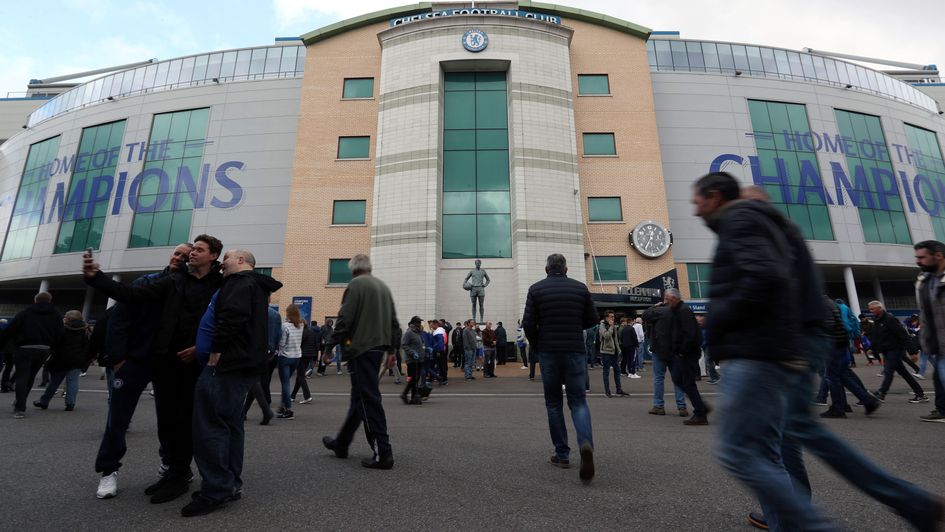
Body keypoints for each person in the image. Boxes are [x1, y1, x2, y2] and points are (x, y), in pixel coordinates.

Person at [697, 172, 945, 531]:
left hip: (773, 345)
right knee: (799, 432)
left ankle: (803, 522)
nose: (696, 210)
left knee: (742, 449)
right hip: (799, 339)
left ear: (718, 196)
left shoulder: (745, 220)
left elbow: (765, 280)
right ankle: (910, 502)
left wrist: (718, 319)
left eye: (698, 201)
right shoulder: (779, 227)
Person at [83, 234, 224, 504]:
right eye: (185, 252)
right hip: (154, 361)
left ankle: (178, 471)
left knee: (183, 421)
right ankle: (118, 471)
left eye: (196, 251)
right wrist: (96, 278)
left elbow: (225, 320)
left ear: (213, 256)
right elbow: (126, 302)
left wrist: (202, 348)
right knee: (147, 420)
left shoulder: (219, 285)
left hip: (188, 364)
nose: (187, 256)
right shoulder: (167, 281)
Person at [184, 249, 282, 516]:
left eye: (226, 257)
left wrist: (216, 350)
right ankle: (229, 484)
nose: (222, 262)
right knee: (230, 425)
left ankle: (216, 490)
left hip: (226, 366)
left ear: (241, 261)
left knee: (209, 426)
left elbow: (233, 317)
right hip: (240, 365)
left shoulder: (239, 283)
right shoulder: (254, 286)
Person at [91, 243, 192, 499]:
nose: (179, 258)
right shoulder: (147, 282)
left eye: (185, 255)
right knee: (118, 418)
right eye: (177, 253)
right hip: (135, 361)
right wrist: (118, 358)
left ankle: (169, 463)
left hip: (169, 364)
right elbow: (118, 319)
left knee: (169, 419)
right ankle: (108, 471)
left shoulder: (188, 288)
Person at [522, 253, 597, 483]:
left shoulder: (536, 289)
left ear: (547, 269)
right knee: (578, 401)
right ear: (566, 269)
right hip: (574, 350)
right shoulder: (580, 288)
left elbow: (528, 323)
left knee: (554, 403)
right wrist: (574, 325)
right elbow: (592, 319)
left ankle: (562, 454)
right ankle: (585, 443)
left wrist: (537, 345)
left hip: (549, 351)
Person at [321, 254, 399, 469]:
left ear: (353, 269)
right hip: (378, 349)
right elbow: (394, 323)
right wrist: (392, 350)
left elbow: (344, 319)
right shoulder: (382, 287)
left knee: (368, 399)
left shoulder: (355, 285)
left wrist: (329, 347)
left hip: (361, 349)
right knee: (360, 398)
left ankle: (383, 452)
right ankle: (342, 443)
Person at [642, 289, 708, 425]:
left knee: (662, 378)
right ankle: (683, 406)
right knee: (678, 379)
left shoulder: (664, 311)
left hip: (666, 351)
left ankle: (659, 405)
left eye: (667, 297)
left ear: (672, 298)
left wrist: (655, 306)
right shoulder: (678, 311)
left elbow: (645, 315)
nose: (666, 300)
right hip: (675, 352)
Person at [1, 292, 63, 419]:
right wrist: (53, 348)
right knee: (31, 376)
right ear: (50, 300)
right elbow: (60, 333)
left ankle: (20, 407)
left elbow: (10, 330)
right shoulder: (56, 315)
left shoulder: (25, 313)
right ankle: (21, 401)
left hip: (24, 348)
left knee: (21, 377)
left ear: (35, 300)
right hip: (44, 349)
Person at [867, 300, 928, 403]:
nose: (871, 311)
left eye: (872, 309)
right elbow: (876, 337)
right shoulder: (876, 320)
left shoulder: (889, 319)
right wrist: (872, 349)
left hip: (895, 350)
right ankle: (920, 394)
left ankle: (881, 393)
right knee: (904, 373)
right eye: (870, 309)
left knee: (888, 371)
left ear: (879, 308)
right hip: (886, 351)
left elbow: (903, 334)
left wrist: (912, 352)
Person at [913, 240, 945, 423]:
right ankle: (941, 409)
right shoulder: (924, 282)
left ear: (938, 256)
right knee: (939, 378)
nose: (918, 261)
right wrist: (926, 342)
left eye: (922, 257)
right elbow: (926, 315)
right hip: (938, 346)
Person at [33, 310, 89, 411]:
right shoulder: (85, 329)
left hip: (61, 358)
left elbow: (54, 343)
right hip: (77, 359)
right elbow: (86, 346)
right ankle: (70, 403)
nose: (64, 318)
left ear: (69, 318)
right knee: (72, 381)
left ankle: (44, 401)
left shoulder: (62, 328)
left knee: (54, 382)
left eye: (66, 316)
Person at [276, 304, 305, 419]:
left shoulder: (285, 326)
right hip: (297, 357)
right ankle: (282, 407)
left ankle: (288, 409)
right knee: (286, 382)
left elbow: (282, 343)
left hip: (285, 357)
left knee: (285, 383)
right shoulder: (301, 325)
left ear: (288, 313)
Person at [597, 311, 626, 398]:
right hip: (606, 352)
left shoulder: (614, 326)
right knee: (606, 372)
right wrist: (611, 327)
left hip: (614, 352)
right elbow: (606, 336)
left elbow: (615, 339)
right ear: (606, 317)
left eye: (613, 316)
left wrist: (619, 350)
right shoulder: (602, 326)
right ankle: (607, 391)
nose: (613, 318)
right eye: (611, 316)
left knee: (617, 370)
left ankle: (619, 390)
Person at [400, 316, 425, 405]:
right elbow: (404, 344)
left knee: (415, 379)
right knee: (413, 379)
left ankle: (412, 397)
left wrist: (426, 349)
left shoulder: (418, 332)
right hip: (412, 360)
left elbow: (419, 345)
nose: (420, 324)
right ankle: (408, 395)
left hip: (419, 359)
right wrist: (412, 352)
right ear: (414, 323)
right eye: (419, 322)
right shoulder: (409, 333)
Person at [292, 321, 318, 404]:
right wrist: (315, 357)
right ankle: (292, 396)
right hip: (310, 355)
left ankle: (307, 396)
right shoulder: (311, 331)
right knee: (300, 376)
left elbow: (298, 343)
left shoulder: (302, 332)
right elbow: (316, 343)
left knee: (301, 376)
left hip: (302, 355)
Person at [464, 259, 490, 323]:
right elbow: (466, 278)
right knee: (473, 304)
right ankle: (474, 318)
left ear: (480, 264)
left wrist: (485, 285)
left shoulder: (483, 271)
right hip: (473, 289)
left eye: (479, 263)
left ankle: (481, 319)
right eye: (477, 263)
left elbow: (488, 279)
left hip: (481, 288)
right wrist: (464, 284)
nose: (478, 264)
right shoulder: (472, 271)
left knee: (481, 304)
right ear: (475, 264)